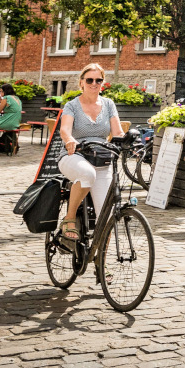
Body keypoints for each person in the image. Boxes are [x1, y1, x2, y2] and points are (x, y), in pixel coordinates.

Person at [55, 63, 126, 248]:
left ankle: (100, 262)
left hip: (101, 158)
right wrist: (70, 140)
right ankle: (69, 218)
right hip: (74, 155)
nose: (94, 83)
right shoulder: (72, 105)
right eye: (90, 80)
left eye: (98, 80)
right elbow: (65, 129)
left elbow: (117, 132)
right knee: (87, 174)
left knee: (107, 216)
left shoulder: (109, 104)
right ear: (82, 82)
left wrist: (129, 141)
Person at [0, 82, 23, 156]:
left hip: (8, 121)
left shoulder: (6, 98)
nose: (0, 93)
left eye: (1, 91)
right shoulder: (17, 98)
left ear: (5, 91)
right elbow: (8, 107)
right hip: (16, 122)